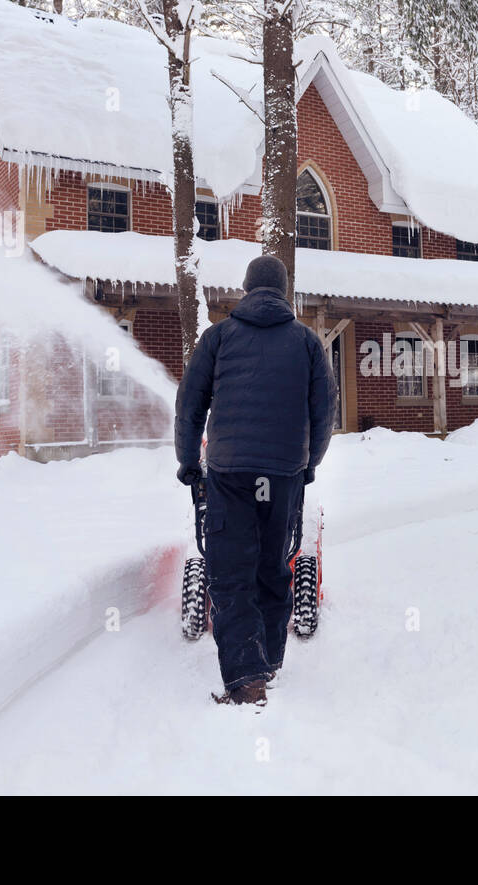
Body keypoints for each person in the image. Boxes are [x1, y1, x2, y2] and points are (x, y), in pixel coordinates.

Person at [175, 255, 336, 705]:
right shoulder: (306, 342)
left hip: (230, 473)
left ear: (246, 290)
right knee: (272, 567)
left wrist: (190, 463)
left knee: (231, 574)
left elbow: (189, 406)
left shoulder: (218, 337)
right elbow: (324, 411)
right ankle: (269, 663)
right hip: (282, 473)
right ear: (284, 292)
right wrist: (308, 464)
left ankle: (248, 681)